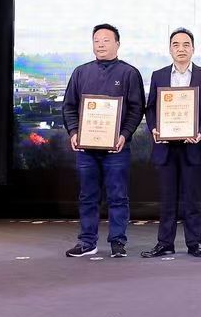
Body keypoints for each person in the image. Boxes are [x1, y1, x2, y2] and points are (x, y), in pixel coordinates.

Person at [61, 23, 145, 259]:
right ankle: (87, 242)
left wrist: (124, 135)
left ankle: (118, 242)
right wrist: (74, 132)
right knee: (87, 196)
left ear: (117, 44)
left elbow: (136, 109)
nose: (101, 44)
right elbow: (69, 107)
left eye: (106, 40)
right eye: (96, 40)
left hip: (117, 148)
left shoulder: (129, 73)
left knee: (118, 196)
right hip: (86, 149)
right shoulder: (81, 72)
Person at [144, 27, 201, 259]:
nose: (181, 49)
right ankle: (165, 243)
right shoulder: (159, 75)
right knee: (167, 198)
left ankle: (195, 243)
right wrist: (154, 128)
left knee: (192, 198)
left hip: (193, 145)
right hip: (165, 146)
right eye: (176, 44)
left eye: (186, 44)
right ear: (169, 49)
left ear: (193, 49)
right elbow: (151, 108)